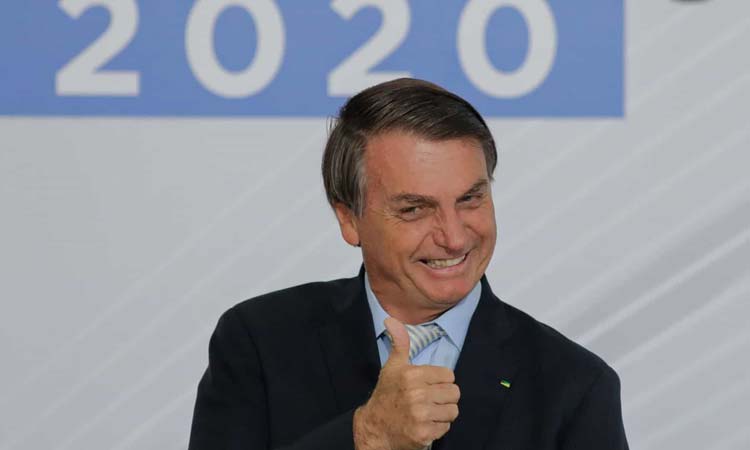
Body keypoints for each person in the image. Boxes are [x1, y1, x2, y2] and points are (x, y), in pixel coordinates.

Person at [188, 78, 629, 450]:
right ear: (349, 219)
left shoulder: (575, 386)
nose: (454, 237)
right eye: (415, 209)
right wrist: (366, 435)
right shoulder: (259, 343)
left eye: (470, 199)